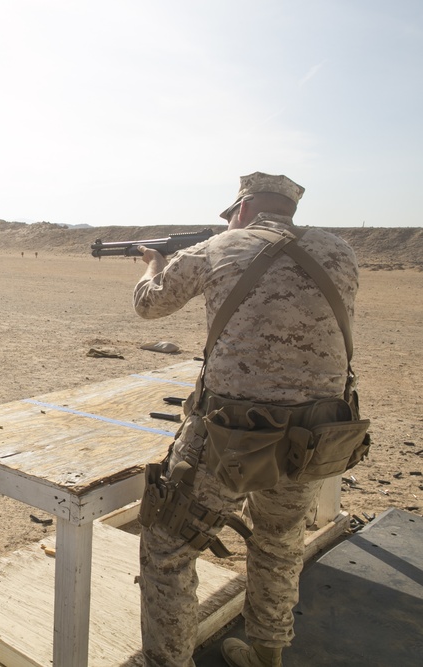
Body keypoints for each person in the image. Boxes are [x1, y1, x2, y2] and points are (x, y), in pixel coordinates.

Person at [132, 172, 361, 666]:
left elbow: (148, 306)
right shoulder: (340, 251)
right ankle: (266, 654)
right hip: (317, 433)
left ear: (244, 206)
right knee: (280, 544)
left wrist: (155, 263)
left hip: (230, 436)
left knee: (168, 546)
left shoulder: (218, 247)